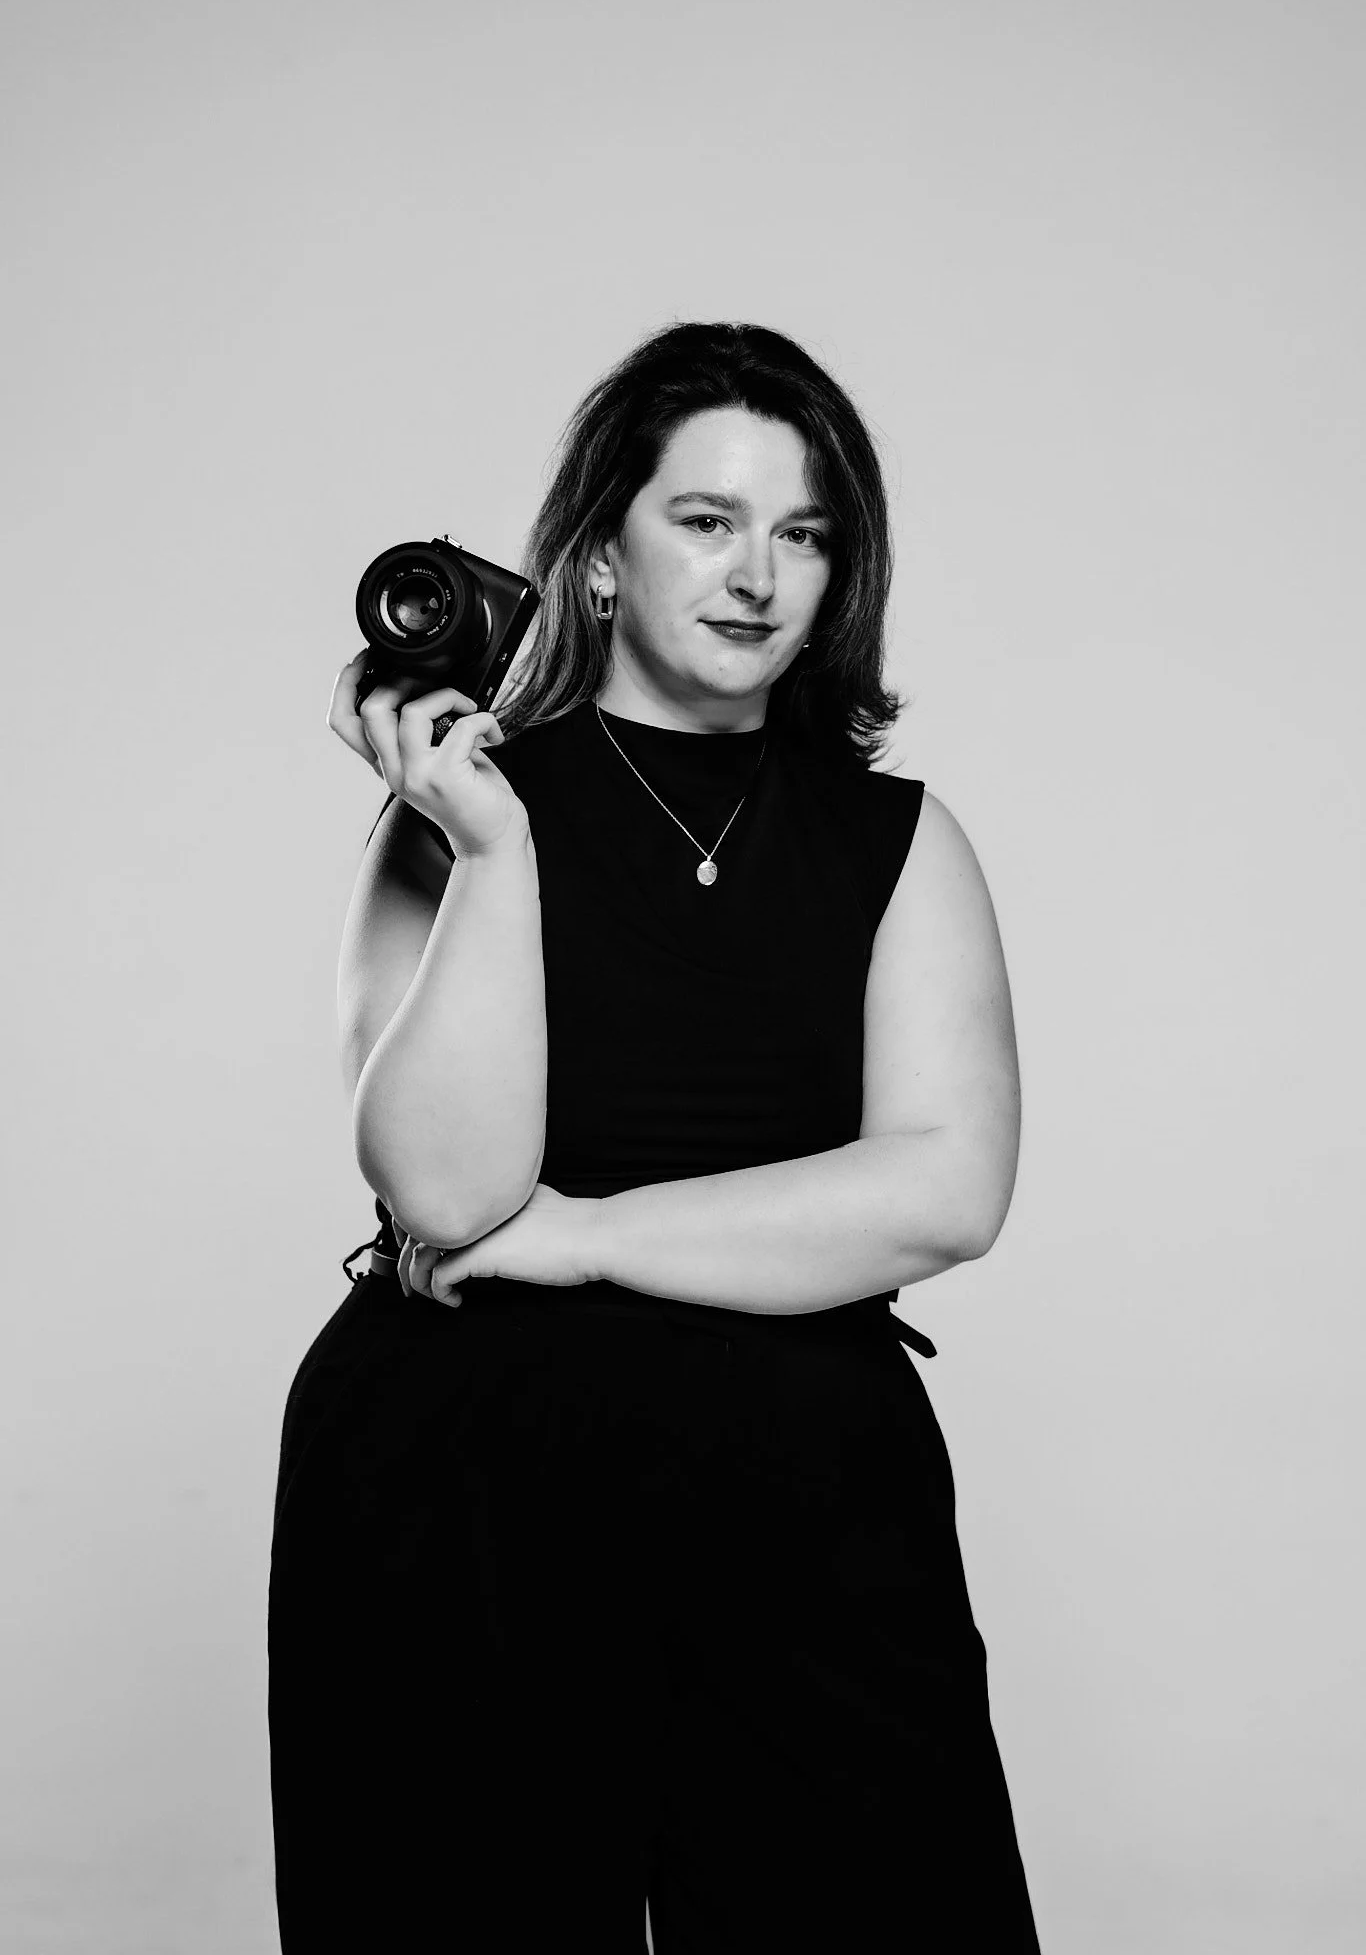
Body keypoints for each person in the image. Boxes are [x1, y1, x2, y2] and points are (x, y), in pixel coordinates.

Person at [268, 322, 1040, 1952]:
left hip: (805, 1498)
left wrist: (589, 1235)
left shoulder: (900, 837)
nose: (759, 572)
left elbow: (945, 1188)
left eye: (805, 532)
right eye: (705, 519)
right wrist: (487, 849)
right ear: (601, 554)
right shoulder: (462, 810)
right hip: (456, 1490)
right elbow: (448, 1189)